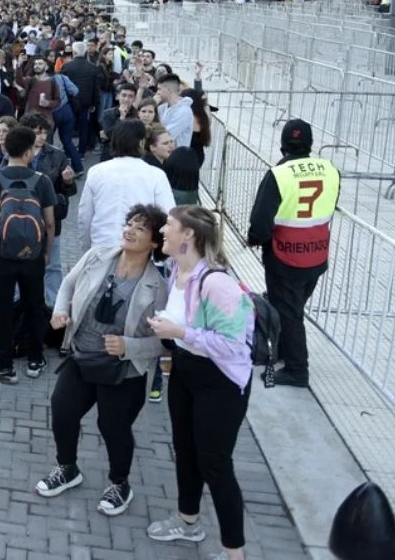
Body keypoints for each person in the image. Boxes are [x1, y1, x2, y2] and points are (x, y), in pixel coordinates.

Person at [37, 204, 168, 517]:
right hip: (82, 356)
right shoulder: (99, 255)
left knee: (113, 426)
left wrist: (128, 346)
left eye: (140, 228)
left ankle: (120, 484)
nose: (130, 230)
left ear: (154, 242)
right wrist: (60, 311)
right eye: (130, 223)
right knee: (63, 409)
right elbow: (68, 284)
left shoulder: (159, 288)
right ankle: (67, 468)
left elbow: (165, 343)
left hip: (123, 371)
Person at [147, 206, 255, 560]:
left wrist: (179, 331)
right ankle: (187, 520)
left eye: (169, 225)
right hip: (185, 371)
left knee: (215, 463)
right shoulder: (176, 268)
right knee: (186, 450)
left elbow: (233, 345)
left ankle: (234, 553)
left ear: (189, 234)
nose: (163, 230)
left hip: (220, 382)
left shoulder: (217, 283)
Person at [246, 119, 340, 388]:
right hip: (316, 253)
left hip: (285, 255)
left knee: (290, 314)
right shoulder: (330, 170)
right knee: (293, 309)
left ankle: (297, 370)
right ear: (311, 144)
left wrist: (254, 239)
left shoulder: (279, 174)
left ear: (282, 145)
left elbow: (261, 220)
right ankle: (285, 350)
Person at [0, 125, 57, 383]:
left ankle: (4, 365)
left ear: (6, 148)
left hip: (0, 256)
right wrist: (46, 253)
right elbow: (50, 223)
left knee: (2, 310)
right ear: (28, 151)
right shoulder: (42, 181)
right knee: (34, 307)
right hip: (33, 257)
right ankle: (35, 359)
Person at [77, 120, 175, 251]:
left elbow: (85, 216)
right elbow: (167, 215)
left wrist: (87, 248)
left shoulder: (96, 172)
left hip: (101, 247)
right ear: (141, 142)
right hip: (139, 249)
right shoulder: (156, 175)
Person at [19, 113, 77, 308]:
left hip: (50, 220)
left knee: (53, 265)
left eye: (44, 132)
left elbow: (69, 191)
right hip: (22, 219)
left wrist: (68, 181)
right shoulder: (17, 153)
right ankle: (19, 302)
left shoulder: (57, 155)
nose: (41, 136)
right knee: (21, 262)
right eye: (36, 132)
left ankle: (54, 306)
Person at [155, 74, 194, 148]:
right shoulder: (161, 108)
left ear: (168, 90)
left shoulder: (184, 112)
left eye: (160, 89)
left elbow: (167, 135)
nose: (158, 92)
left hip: (177, 154)